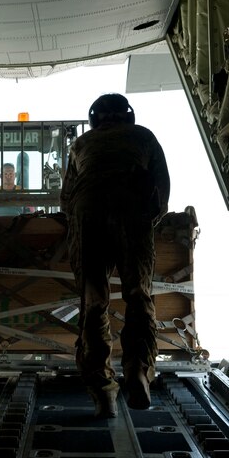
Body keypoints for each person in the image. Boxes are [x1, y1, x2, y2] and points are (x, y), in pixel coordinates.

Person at [60, 93, 170, 417]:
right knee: (138, 295)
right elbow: (161, 191)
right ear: (128, 116)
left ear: (95, 118)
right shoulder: (143, 136)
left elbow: (66, 198)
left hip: (87, 209)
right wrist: (143, 224)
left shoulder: (80, 144)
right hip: (130, 206)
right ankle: (138, 372)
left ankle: (103, 392)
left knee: (93, 303)